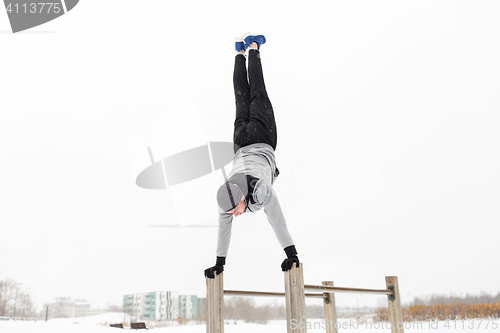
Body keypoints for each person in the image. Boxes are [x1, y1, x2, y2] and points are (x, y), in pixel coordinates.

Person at [204, 33, 300, 279]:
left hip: (261, 136)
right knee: (241, 97)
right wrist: (219, 262)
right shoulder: (226, 196)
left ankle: (253, 45)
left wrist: (291, 253)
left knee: (257, 91)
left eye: (236, 210)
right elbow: (223, 228)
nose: (236, 214)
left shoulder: (259, 190)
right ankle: (239, 52)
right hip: (240, 141)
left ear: (241, 195)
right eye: (233, 212)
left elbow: (276, 217)